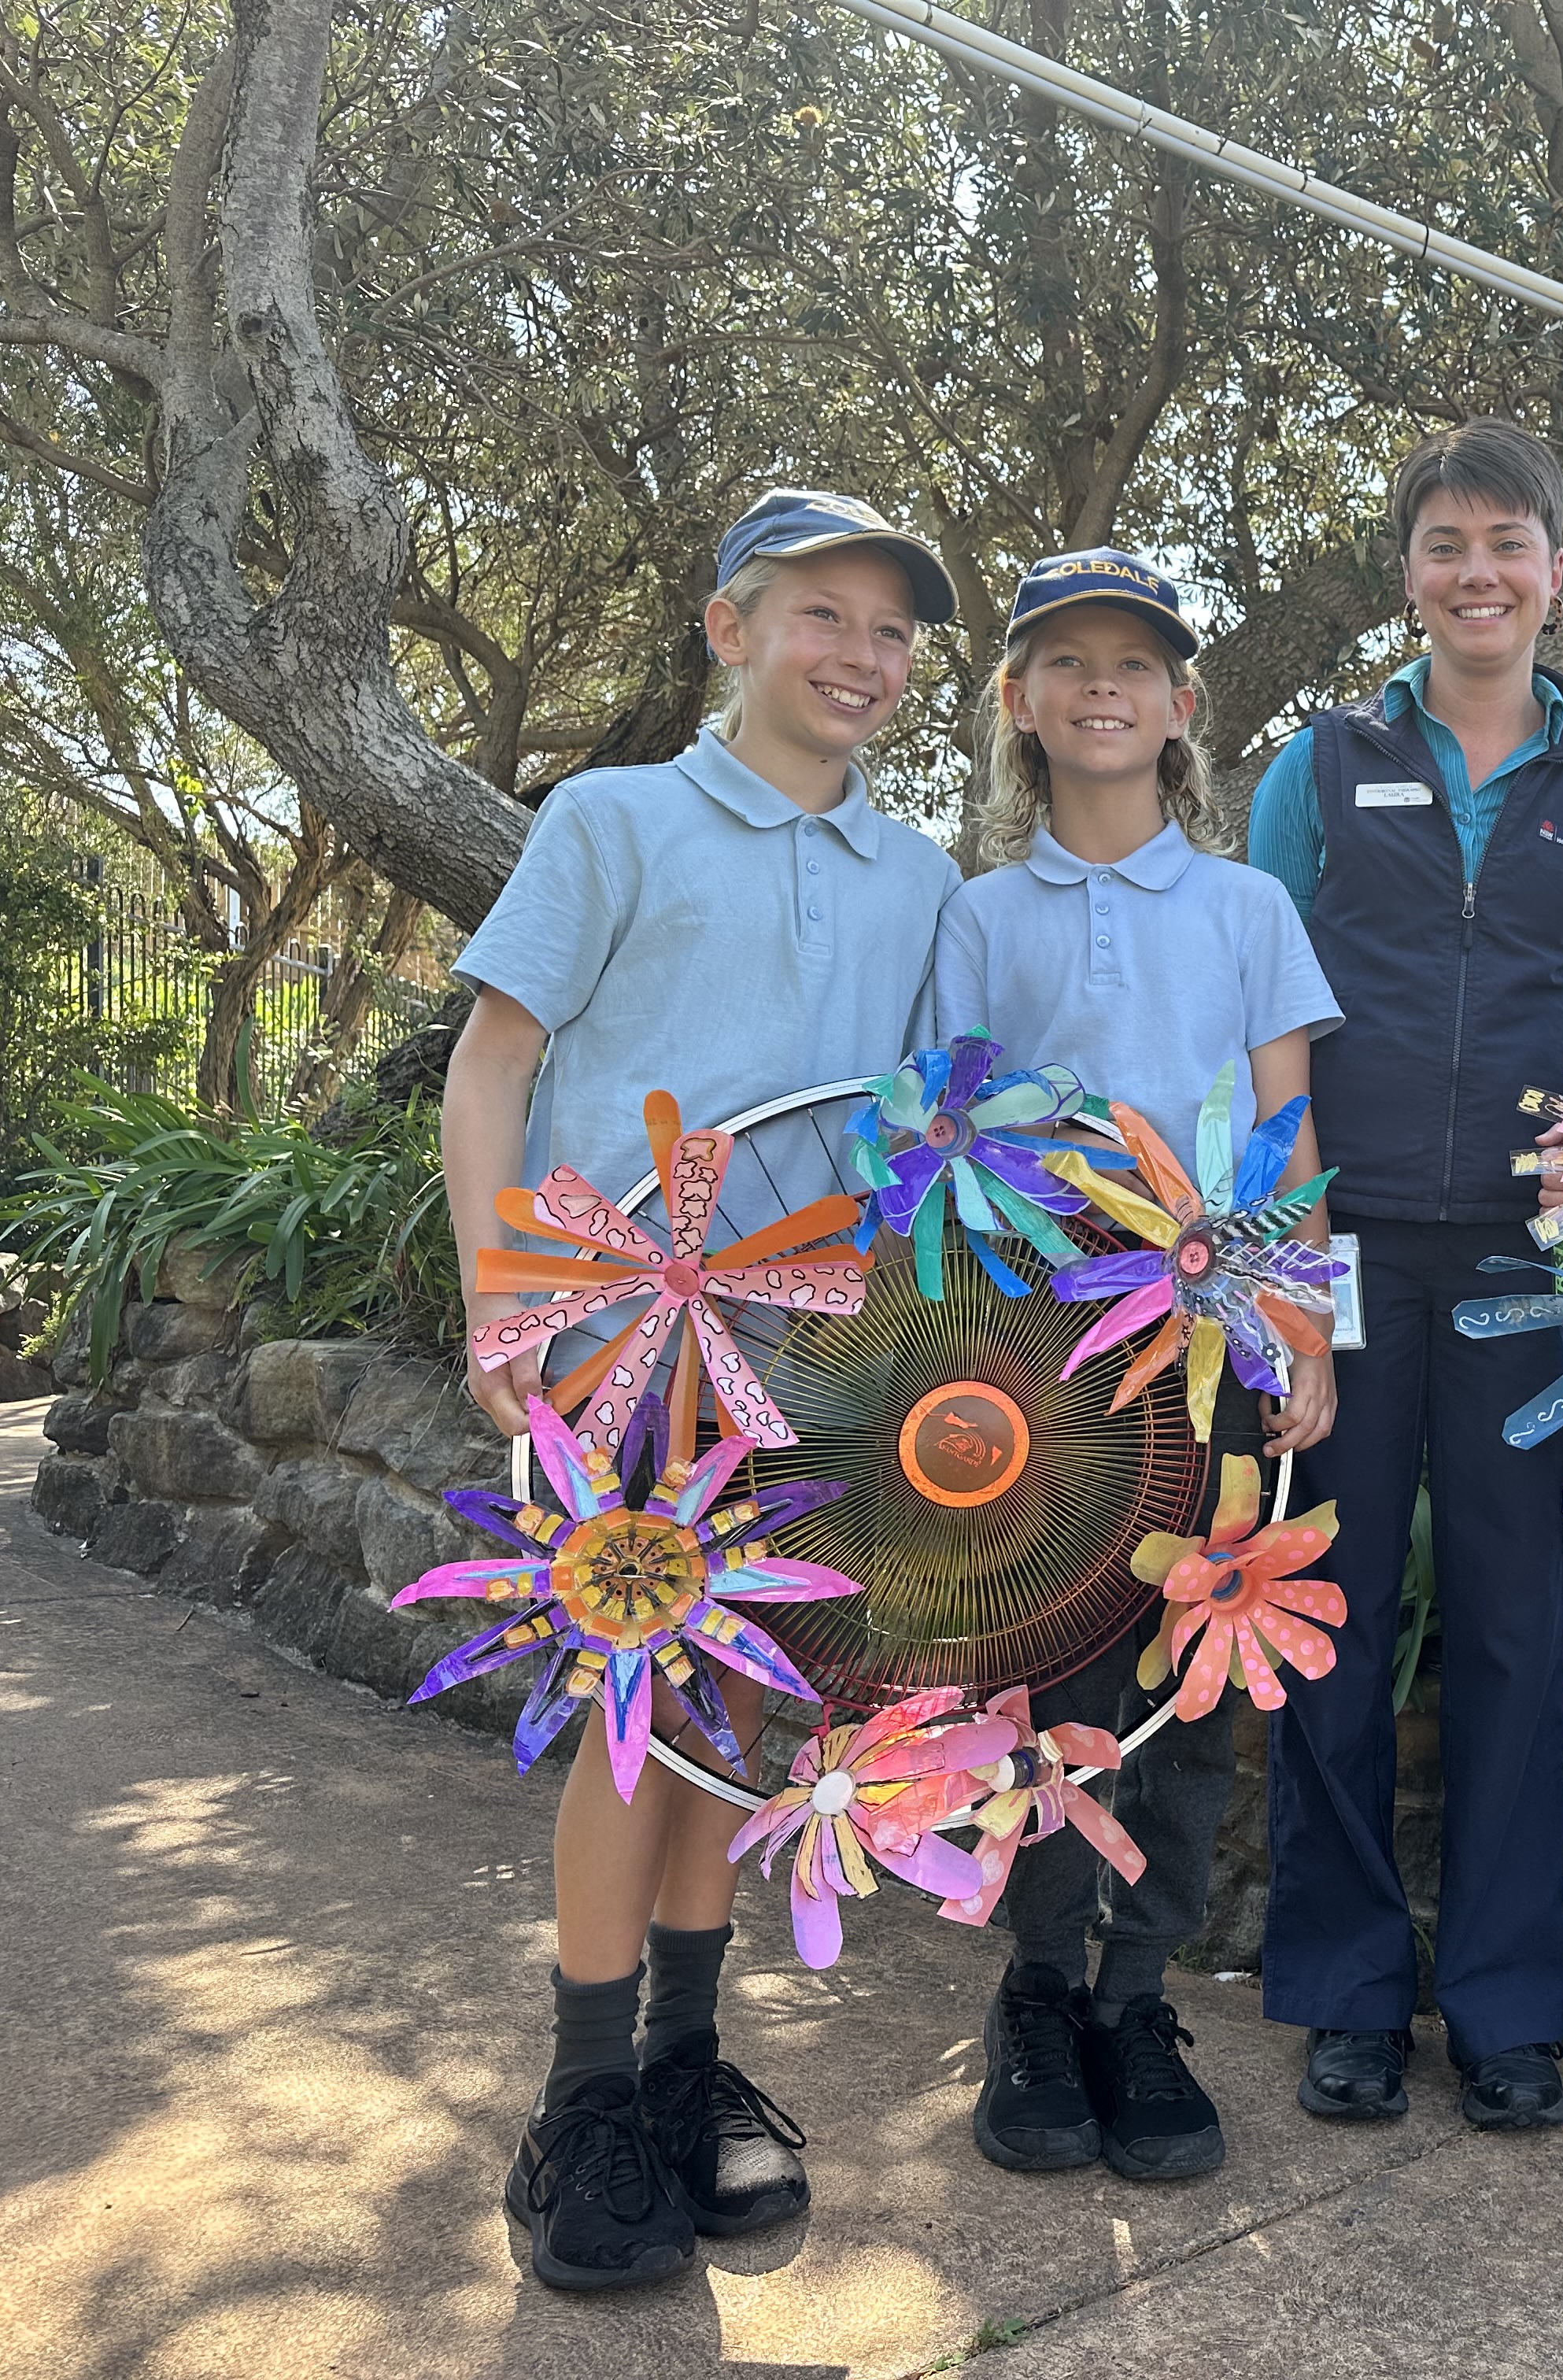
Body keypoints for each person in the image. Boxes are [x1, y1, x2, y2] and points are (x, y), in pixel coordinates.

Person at [445, 490, 964, 2290]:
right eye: (824, 615)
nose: (861, 657)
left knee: (737, 1728)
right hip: (623, 1355)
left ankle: (684, 2067)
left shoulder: (926, 881)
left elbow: (922, 1143)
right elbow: (494, 1062)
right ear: (732, 626)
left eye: (893, 632)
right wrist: (500, 1304)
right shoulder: (611, 820)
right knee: (626, 1717)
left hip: (819, 1378)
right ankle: (581, 2100)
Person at [1243, 419, 1563, 2131]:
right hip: (1340, 1254)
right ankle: (1344, 1988)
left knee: (1509, 1623)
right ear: (1406, 574)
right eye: (1445, 544)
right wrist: (1287, 1247)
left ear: (1558, 574)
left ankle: (1505, 2007)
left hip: (1518, 1265)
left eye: (1508, 543)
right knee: (1329, 1614)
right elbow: (1265, 1016)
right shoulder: (1318, 765)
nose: (1476, 572)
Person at [927, 548, 1341, 2184]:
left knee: (1188, 1670)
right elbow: (945, 1132)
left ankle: (1138, 1994)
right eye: (1068, 660)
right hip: (1034, 1363)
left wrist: (1304, 1325)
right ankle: (1034, 1993)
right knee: (1038, 1671)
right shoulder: (977, 915)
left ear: (1182, 710)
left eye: (1137, 663)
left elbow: (1290, 1130)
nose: (1104, 685)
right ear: (1021, 702)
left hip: (1213, 1354)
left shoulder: (1250, 909)